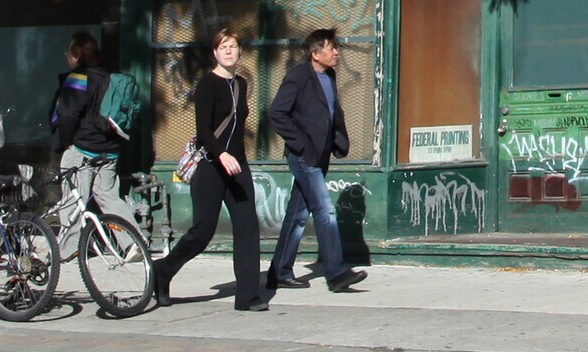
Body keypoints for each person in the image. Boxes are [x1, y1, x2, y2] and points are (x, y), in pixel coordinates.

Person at [152, 26, 269, 312]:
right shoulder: (208, 84)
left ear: (240, 51)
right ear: (215, 53)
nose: (229, 51)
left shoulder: (240, 84)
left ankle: (248, 297)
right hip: (211, 165)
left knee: (247, 227)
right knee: (203, 231)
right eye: (223, 47)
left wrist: (237, 158)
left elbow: (238, 128)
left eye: (233, 46)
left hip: (237, 165)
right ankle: (163, 270)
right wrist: (222, 154)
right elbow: (203, 130)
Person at [265, 28, 365, 295]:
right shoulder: (298, 77)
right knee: (325, 211)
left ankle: (280, 271)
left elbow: (332, 112)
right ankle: (336, 272)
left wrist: (337, 140)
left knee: (298, 215)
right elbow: (277, 113)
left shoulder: (329, 75)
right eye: (330, 48)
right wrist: (299, 143)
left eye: (335, 48)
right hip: (303, 156)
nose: (335, 52)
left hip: (320, 155)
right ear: (315, 53)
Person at [49, 30, 133, 254]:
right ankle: (133, 243)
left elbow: (67, 114)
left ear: (77, 56)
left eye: (69, 52)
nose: (67, 56)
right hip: (111, 150)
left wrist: (64, 144)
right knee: (109, 196)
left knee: (72, 199)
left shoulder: (79, 77)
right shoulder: (107, 75)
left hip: (83, 147)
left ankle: (67, 250)